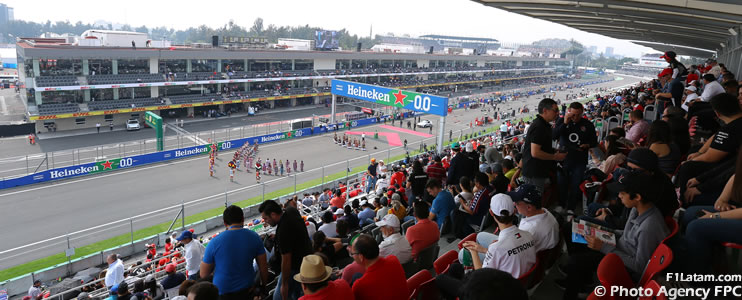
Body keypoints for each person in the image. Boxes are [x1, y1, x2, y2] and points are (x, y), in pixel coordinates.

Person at [559, 170, 669, 300]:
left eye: (623, 193)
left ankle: (572, 290)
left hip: (626, 267)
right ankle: (580, 279)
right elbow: (627, 234)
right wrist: (604, 232)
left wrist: (603, 247)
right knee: (574, 228)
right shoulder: (636, 209)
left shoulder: (649, 227)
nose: (619, 196)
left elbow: (640, 267)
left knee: (577, 261)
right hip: (618, 247)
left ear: (637, 197)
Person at [200, 205, 269, 299]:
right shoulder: (254, 237)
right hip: (247, 290)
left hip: (222, 292)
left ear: (224, 223)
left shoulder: (214, 242)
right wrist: (263, 286)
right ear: (243, 219)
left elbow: (203, 274)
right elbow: (263, 267)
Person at [259, 200, 313, 300]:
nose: (265, 221)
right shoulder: (291, 211)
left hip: (295, 269)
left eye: (266, 218)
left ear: (273, 214)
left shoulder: (283, 231)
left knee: (278, 297)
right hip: (307, 259)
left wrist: (284, 284)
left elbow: (286, 260)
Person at [554, 102, 597, 214]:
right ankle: (561, 204)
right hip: (563, 159)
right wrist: (564, 123)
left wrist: (587, 145)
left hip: (579, 160)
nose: (575, 117)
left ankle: (571, 208)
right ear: (568, 111)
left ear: (582, 112)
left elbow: (594, 142)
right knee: (561, 183)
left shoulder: (587, 124)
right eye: (573, 115)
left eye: (578, 115)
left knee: (576, 184)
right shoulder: (561, 121)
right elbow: (554, 136)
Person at [521, 98, 566, 193]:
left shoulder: (544, 125)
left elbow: (540, 147)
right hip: (533, 172)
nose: (558, 113)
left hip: (537, 171)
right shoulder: (539, 126)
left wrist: (552, 150)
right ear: (545, 110)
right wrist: (555, 157)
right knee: (534, 202)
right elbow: (535, 152)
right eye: (555, 110)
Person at [350, 234, 408, 300]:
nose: (352, 256)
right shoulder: (393, 260)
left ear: (361, 257)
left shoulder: (359, 285)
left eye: (352, 253)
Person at [510, 184, 559, 252]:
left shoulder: (528, 230)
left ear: (529, 207)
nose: (514, 204)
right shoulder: (545, 211)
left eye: (517, 203)